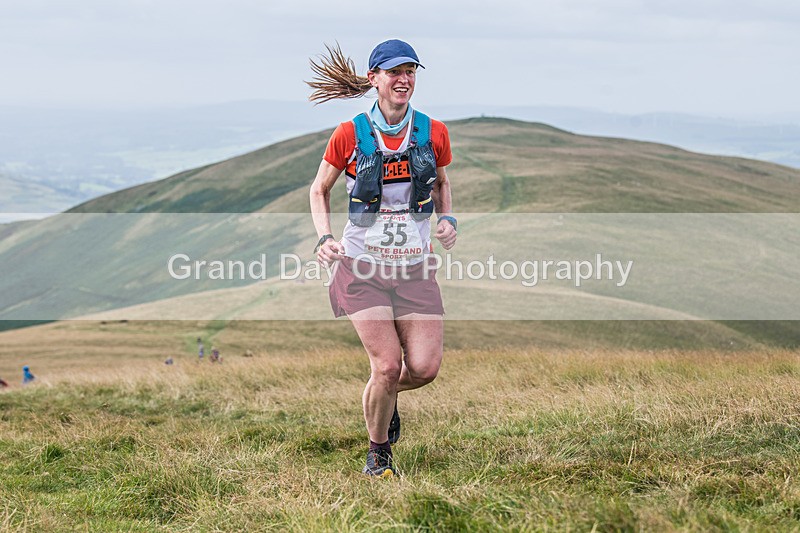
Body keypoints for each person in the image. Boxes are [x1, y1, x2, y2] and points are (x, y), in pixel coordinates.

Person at [307, 39, 458, 477]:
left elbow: (442, 183)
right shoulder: (350, 133)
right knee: (388, 364)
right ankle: (378, 456)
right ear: (374, 78)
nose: (404, 78)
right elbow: (320, 189)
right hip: (361, 267)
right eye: (394, 71)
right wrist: (323, 239)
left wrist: (448, 220)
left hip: (414, 266)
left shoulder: (433, 131)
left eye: (410, 70)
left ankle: (383, 395)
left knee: (424, 369)